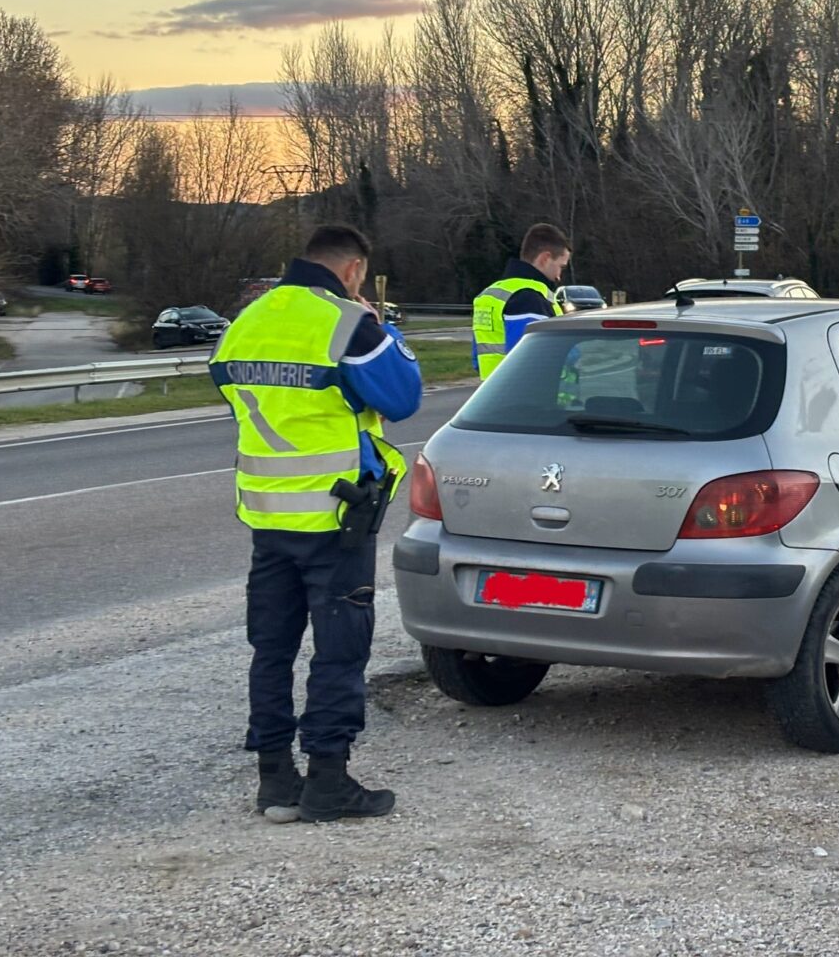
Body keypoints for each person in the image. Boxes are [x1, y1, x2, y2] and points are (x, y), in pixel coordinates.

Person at [209, 224, 423, 822]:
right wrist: (380, 326)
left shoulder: (247, 320)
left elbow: (231, 389)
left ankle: (275, 779)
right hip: (336, 515)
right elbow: (404, 397)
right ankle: (329, 778)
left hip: (267, 515)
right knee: (338, 651)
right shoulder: (347, 324)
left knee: (270, 649)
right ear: (354, 269)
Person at [471, 223, 571, 377]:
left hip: (492, 395)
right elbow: (527, 362)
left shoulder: (490, 295)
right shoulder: (529, 298)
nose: (559, 276)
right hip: (529, 396)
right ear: (545, 258)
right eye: (561, 267)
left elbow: (477, 360)